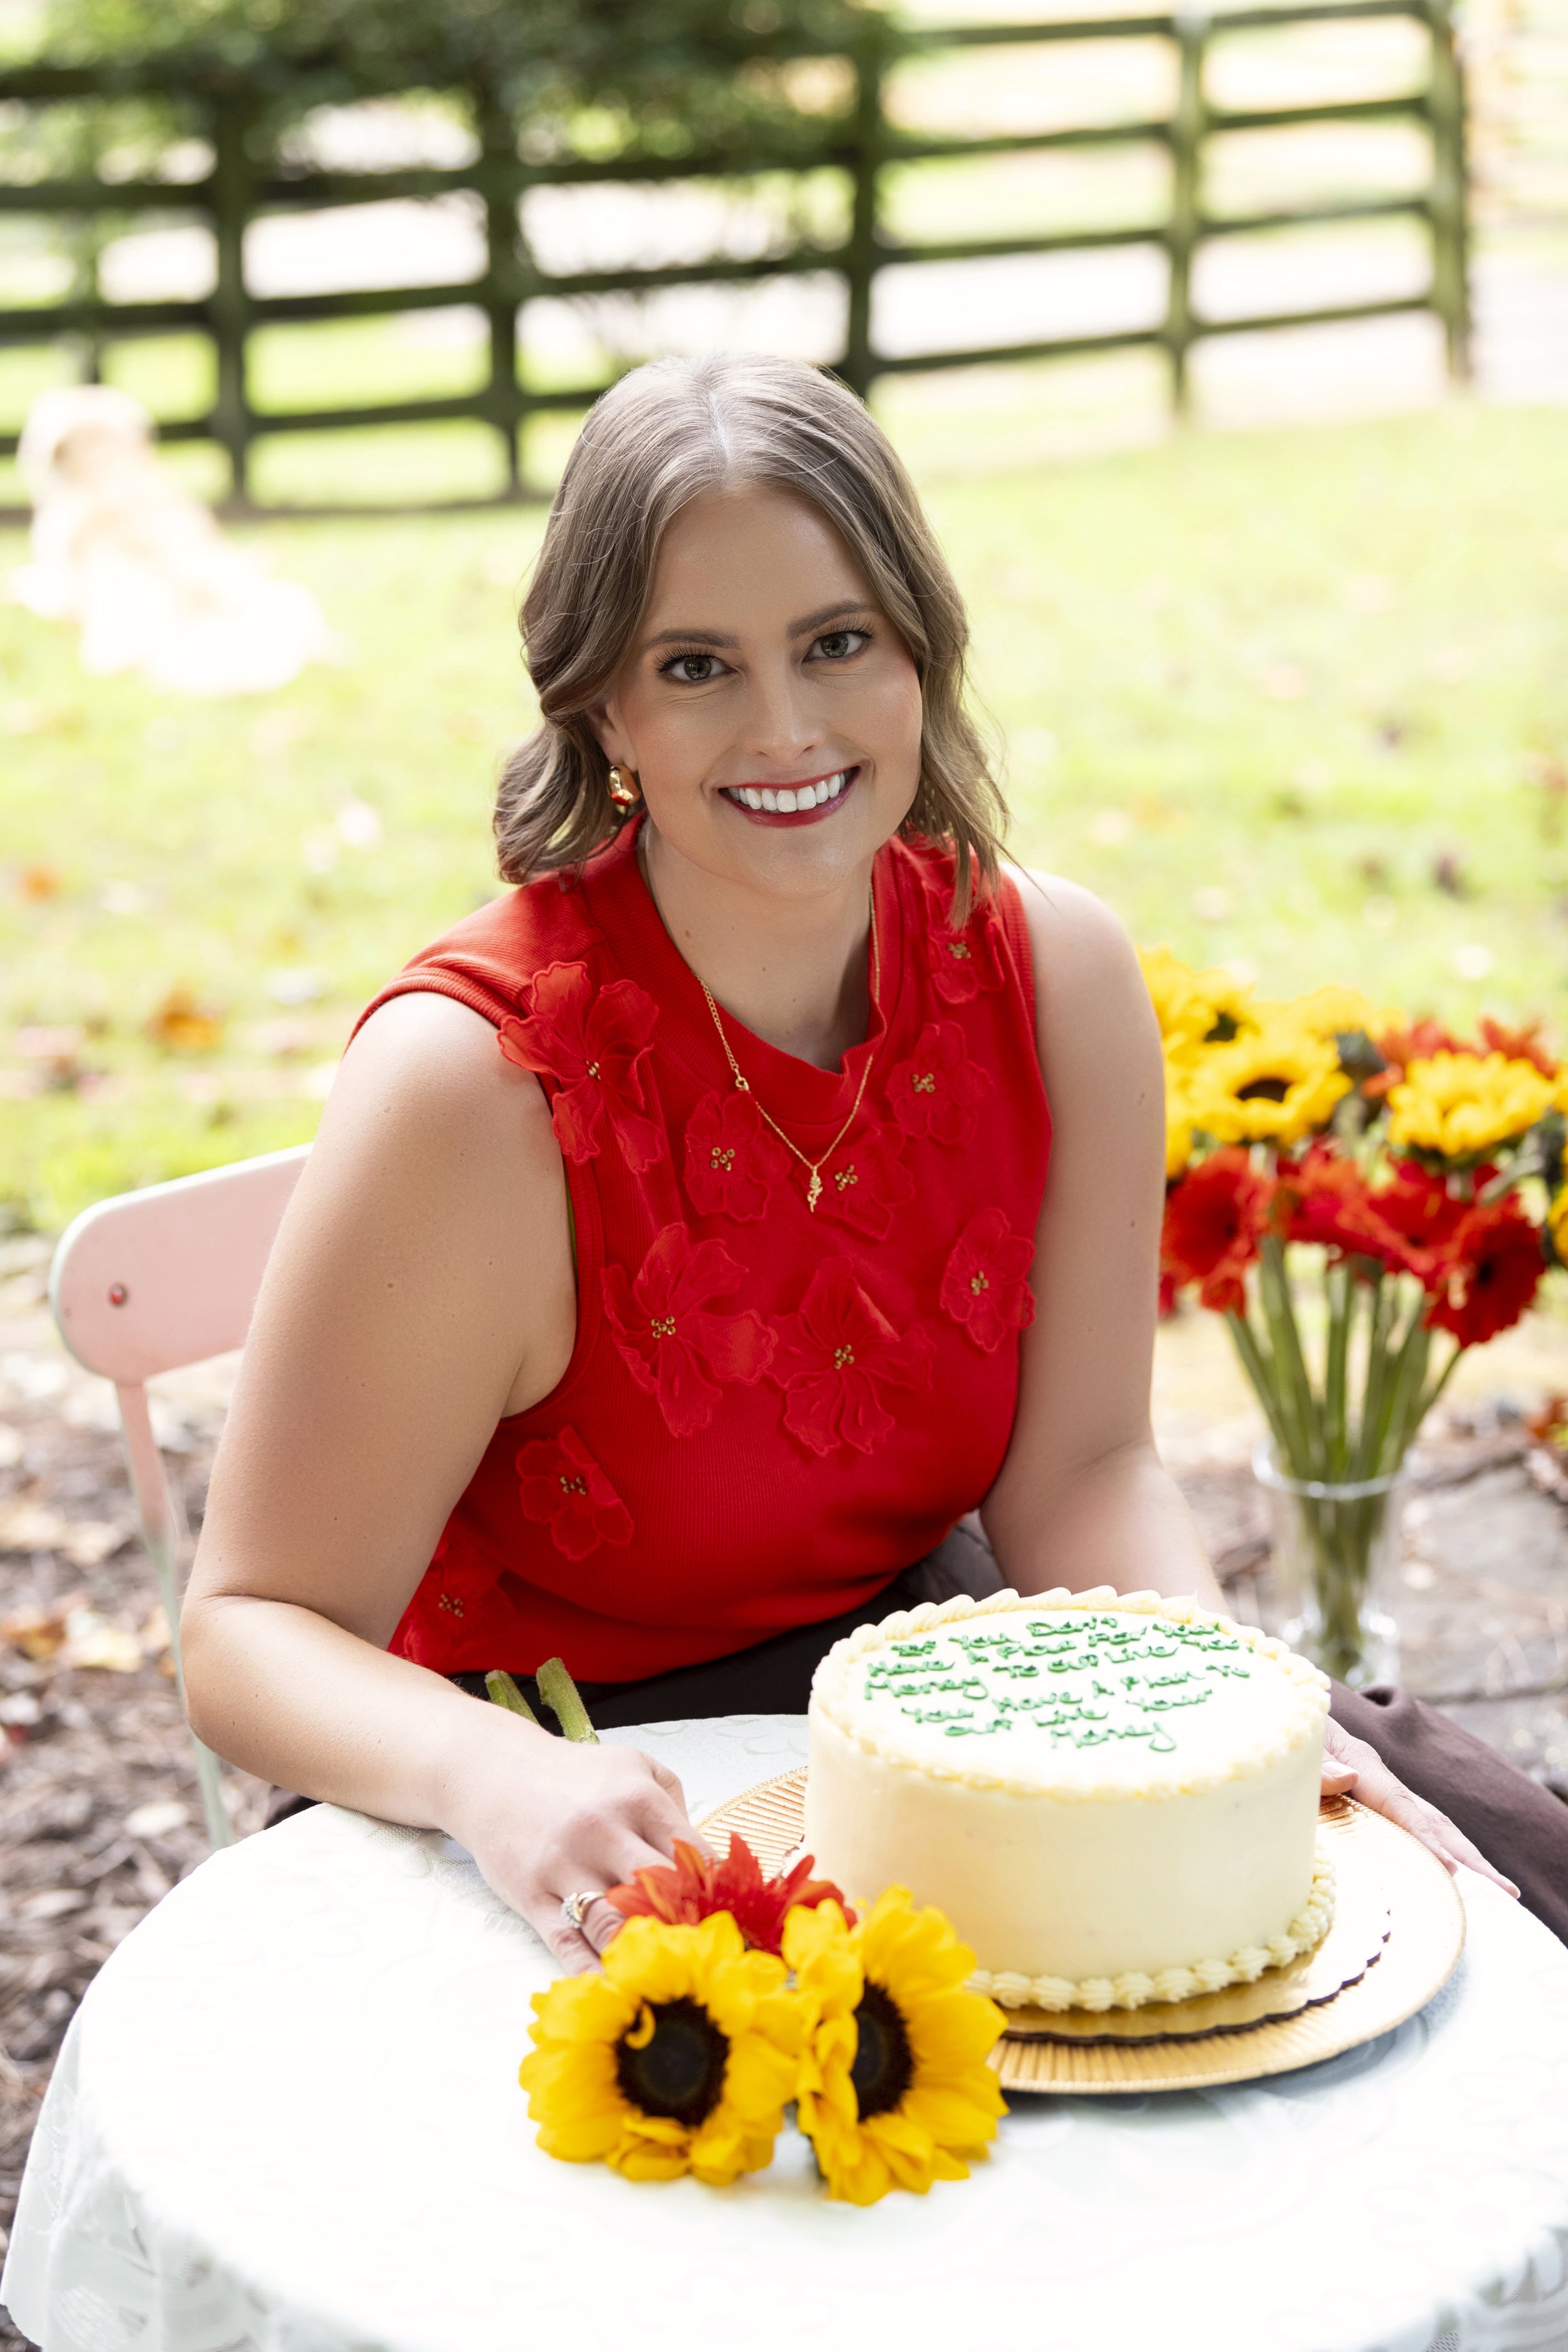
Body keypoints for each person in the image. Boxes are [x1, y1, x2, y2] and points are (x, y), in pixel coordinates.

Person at [183, 353, 1565, 1975]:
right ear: (601, 707)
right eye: (695, 665)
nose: (784, 729)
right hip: (552, 1783)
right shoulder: (478, 1088)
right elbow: (248, 1633)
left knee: (1459, 1918)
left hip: (938, 1703)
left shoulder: (1054, 978)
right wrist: (493, 1779)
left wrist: (1221, 1718)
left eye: (835, 643)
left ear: (920, 649)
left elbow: (1083, 1476)